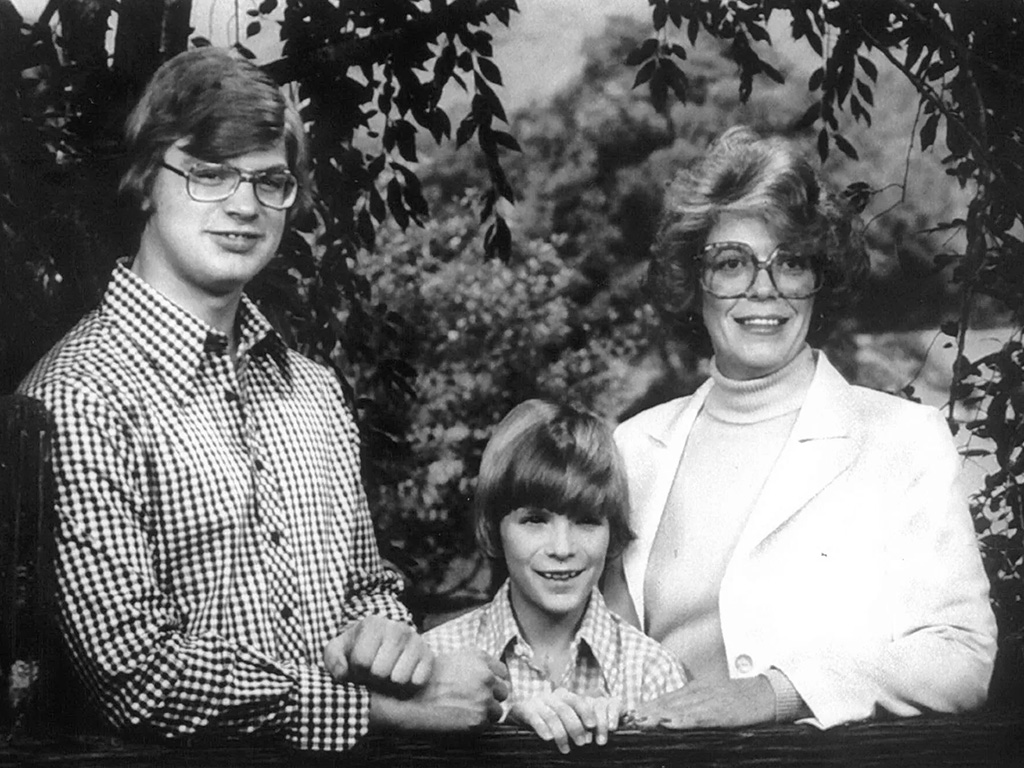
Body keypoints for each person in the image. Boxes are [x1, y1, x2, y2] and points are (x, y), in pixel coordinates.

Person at [17, 47, 507, 751]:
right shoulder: (80, 395)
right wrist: (377, 709)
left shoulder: (312, 391)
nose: (244, 205)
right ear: (146, 181)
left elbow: (368, 587)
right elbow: (134, 673)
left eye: (269, 180)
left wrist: (385, 638)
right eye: (209, 174)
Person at [603, 126, 997, 730]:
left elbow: (961, 655)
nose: (764, 288)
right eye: (731, 263)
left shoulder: (903, 438)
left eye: (791, 262)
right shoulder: (631, 448)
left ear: (821, 279)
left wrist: (775, 692)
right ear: (693, 281)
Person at [424, 400, 686, 754]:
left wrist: (625, 744)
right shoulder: (437, 657)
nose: (562, 548)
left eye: (586, 520)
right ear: (494, 527)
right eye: (534, 520)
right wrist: (501, 733)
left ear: (613, 530)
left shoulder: (652, 671)